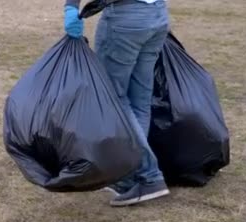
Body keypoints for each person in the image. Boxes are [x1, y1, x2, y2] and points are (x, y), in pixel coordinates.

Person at [64, 0, 171, 207]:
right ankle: (130, 175)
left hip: (125, 19)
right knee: (139, 100)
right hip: (157, 14)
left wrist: (70, 7)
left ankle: (149, 176)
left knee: (114, 99)